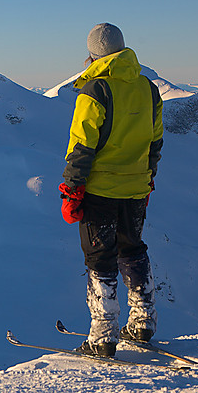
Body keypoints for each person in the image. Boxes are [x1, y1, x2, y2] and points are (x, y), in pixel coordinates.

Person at [59, 23, 164, 358]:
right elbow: (155, 142)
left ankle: (103, 337)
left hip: (100, 190)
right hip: (135, 187)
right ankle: (142, 322)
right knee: (132, 249)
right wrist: (147, 178)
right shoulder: (148, 88)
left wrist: (71, 190)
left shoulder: (95, 90)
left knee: (99, 258)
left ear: (93, 54)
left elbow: (81, 146)